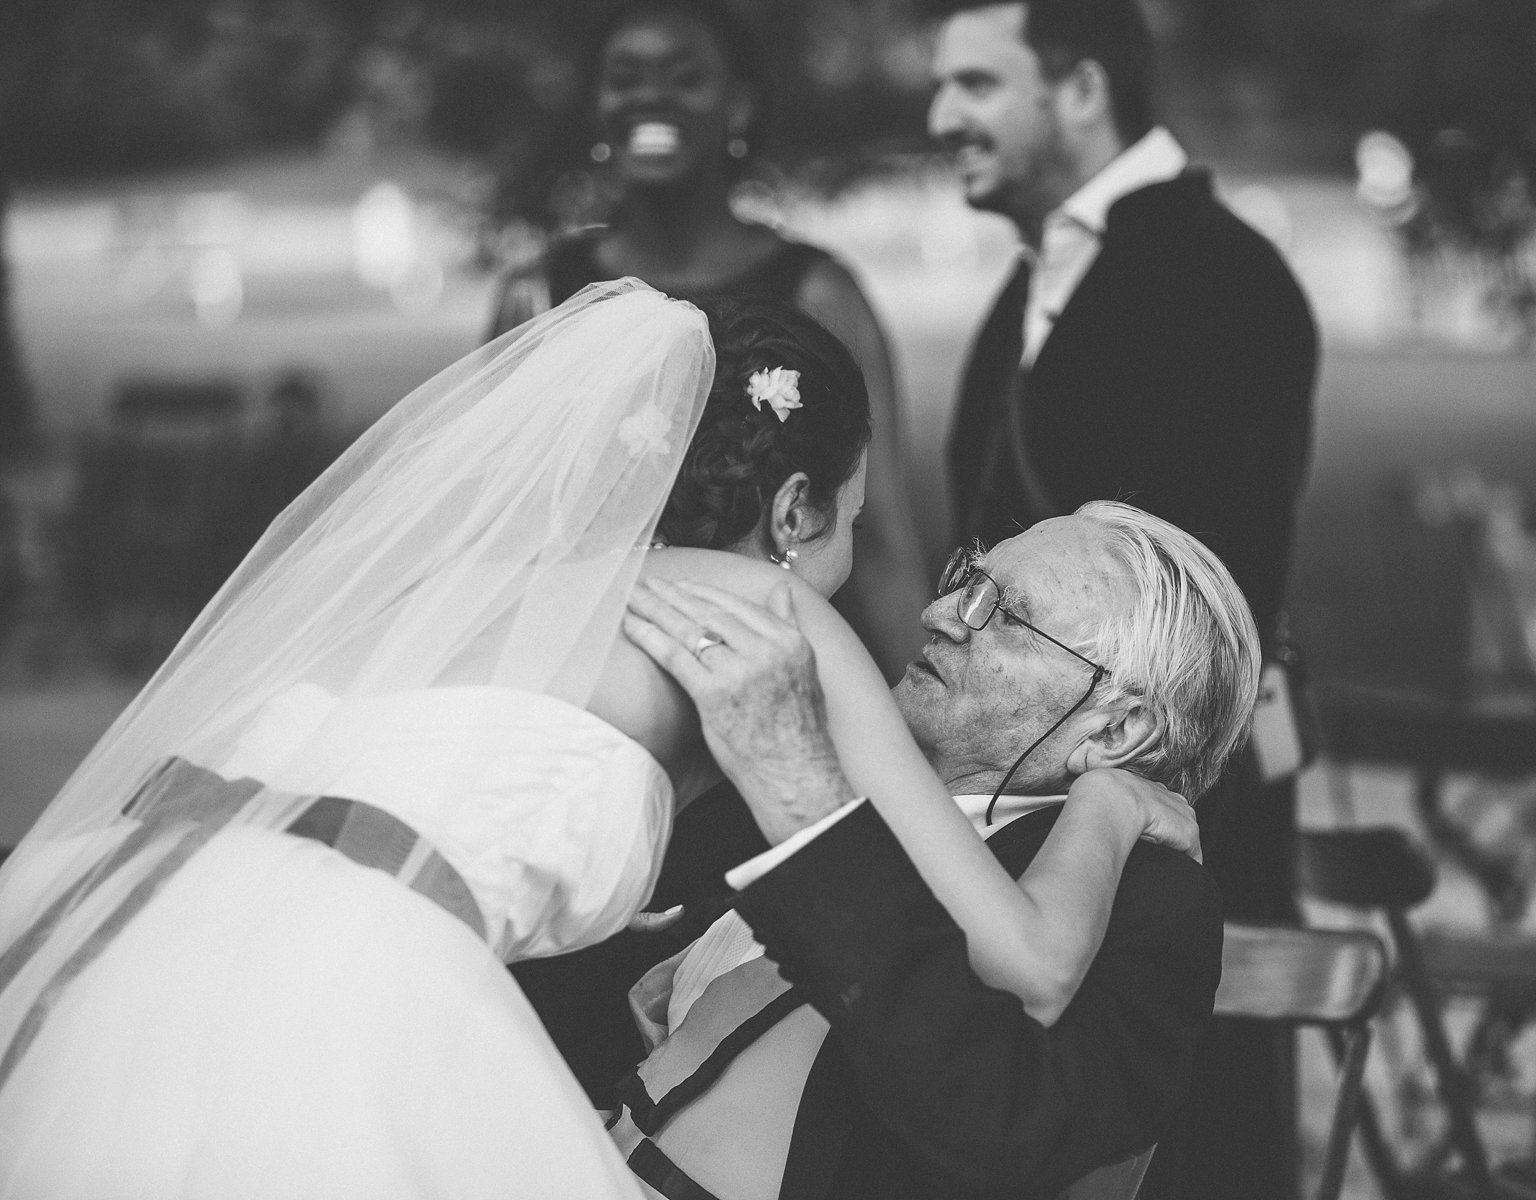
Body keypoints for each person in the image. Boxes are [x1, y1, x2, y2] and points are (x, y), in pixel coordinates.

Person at [0, 283, 1194, 1197]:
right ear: (791, 516)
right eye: (858, 527)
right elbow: (1035, 962)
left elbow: (424, 773)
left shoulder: (492, 587)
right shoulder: (769, 613)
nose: (927, 606)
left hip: (135, 901)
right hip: (343, 972)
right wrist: (1114, 805)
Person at [927, 2, 1320, 1193]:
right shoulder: (1045, 271)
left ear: (1083, 88)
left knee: (1180, 1129)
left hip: (1164, 788)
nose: (944, 117)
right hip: (1042, 772)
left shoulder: (1222, 277)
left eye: (979, 85)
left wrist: (1105, 800)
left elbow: (1199, 595)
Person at [606, 500, 1262, 1200]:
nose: (943, 612)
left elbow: (1002, 1128)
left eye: (1006, 614)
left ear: (1116, 733)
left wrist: (1106, 806)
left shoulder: (1152, 898)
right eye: (968, 580)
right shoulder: (851, 764)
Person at [488, 0, 931, 682]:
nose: (650, 96)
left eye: (684, 75)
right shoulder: (539, 294)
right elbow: (498, 525)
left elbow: (882, 538)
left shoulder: (817, 292)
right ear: (597, 105)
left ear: (740, 106)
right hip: (587, 673)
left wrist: (921, 737)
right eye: (625, 75)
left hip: (777, 669)